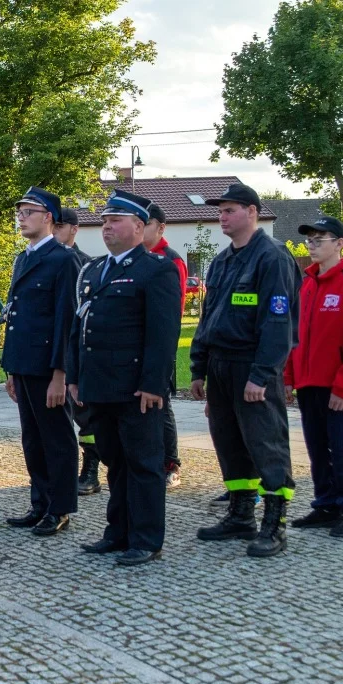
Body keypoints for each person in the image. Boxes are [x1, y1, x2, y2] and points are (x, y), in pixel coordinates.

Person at [68, 190, 181, 566]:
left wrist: (153, 384)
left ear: (138, 226)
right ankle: (117, 532)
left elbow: (163, 334)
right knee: (114, 462)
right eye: (103, 221)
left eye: (115, 220)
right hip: (99, 385)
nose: (106, 227)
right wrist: (74, 376)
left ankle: (146, 538)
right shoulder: (96, 270)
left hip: (135, 388)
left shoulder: (155, 268)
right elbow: (78, 327)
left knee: (144, 463)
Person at [190, 182, 302, 558]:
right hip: (221, 365)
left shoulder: (272, 258)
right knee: (229, 442)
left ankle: (275, 523)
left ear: (252, 212)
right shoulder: (222, 261)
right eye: (220, 211)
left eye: (230, 210)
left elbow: (278, 323)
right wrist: (199, 368)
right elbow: (209, 318)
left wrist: (261, 374)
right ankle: (241, 514)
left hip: (253, 366)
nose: (223, 216)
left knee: (266, 442)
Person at [285, 216, 343, 537]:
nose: (312, 244)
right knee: (317, 448)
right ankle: (326, 504)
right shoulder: (306, 285)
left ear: (339, 244)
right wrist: (288, 377)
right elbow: (295, 335)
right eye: (309, 239)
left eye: (320, 238)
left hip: (336, 387)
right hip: (308, 384)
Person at [1, 187, 81, 536]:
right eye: (20, 211)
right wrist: (11, 369)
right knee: (33, 440)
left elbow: (65, 320)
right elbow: (19, 316)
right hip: (25, 363)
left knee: (57, 439)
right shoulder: (24, 258)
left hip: (48, 368)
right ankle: (40, 503)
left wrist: (60, 375)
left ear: (48, 217)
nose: (21, 216)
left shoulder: (63, 260)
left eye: (29, 211)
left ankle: (60, 508)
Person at [54, 206, 103, 497]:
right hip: (53, 354)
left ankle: (91, 469)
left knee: (87, 418)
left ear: (74, 229)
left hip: (80, 355)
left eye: (60, 226)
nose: (56, 231)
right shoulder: (44, 262)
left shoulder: (87, 266)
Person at [142, 203, 188, 490]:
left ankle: (171, 462)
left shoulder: (171, 260)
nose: (140, 228)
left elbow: (175, 309)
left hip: (159, 344)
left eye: (145, 223)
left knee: (162, 404)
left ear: (160, 227)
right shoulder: (137, 258)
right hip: (135, 347)